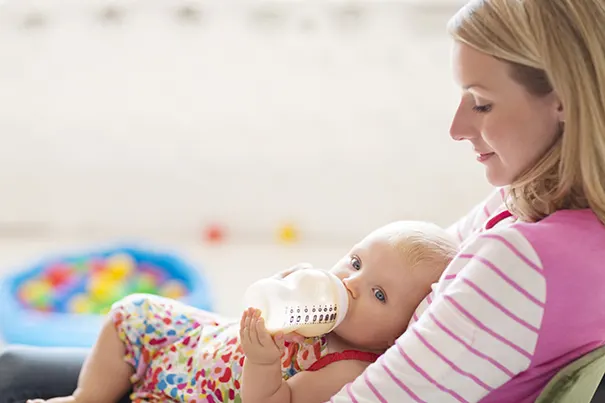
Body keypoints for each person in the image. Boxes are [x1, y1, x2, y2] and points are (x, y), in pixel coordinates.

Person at [1, 0, 605, 401]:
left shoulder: (524, 263)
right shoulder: (531, 209)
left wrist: (269, 363)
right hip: (222, 363)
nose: (455, 127)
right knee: (37, 359)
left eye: (480, 101)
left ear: (565, 100)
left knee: (18, 374)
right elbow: (408, 269)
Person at [25, 221, 457, 403]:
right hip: (204, 344)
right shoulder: (322, 306)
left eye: (379, 295)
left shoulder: (348, 368)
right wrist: (289, 283)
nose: (351, 286)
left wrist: (265, 361)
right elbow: (263, 304)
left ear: (397, 335)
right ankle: (86, 397)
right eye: (356, 263)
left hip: (209, 392)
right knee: (131, 311)